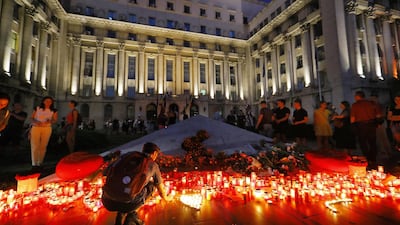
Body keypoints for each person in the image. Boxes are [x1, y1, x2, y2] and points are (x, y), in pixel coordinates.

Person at [102, 142, 172, 225]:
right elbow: (161, 190)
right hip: (128, 204)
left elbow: (105, 172)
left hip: (107, 201)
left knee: (127, 188)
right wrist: (167, 198)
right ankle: (132, 215)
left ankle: (122, 216)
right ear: (154, 153)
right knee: (151, 186)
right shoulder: (152, 165)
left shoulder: (127, 156)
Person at [350, 90, 381, 169]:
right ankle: (373, 158)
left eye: (355, 96)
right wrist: (377, 123)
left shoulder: (355, 105)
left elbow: (353, 118)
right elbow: (378, 115)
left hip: (361, 126)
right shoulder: (372, 104)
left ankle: (367, 157)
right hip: (371, 124)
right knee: (372, 142)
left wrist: (353, 126)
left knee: (363, 143)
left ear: (358, 97)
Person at [30, 96, 58, 171]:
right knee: (35, 145)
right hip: (36, 127)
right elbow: (31, 118)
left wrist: (50, 121)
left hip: (47, 128)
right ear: (43, 101)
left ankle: (40, 163)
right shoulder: (37, 108)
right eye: (46, 101)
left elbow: (55, 120)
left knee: (43, 146)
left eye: (50, 102)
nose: (48, 103)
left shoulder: (53, 110)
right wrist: (36, 121)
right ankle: (34, 164)